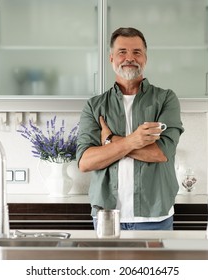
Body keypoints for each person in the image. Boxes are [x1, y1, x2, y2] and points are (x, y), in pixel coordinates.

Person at [76, 27, 184, 230]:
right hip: (106, 217)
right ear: (111, 58)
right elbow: (85, 162)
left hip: (155, 218)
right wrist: (133, 141)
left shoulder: (165, 99)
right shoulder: (95, 106)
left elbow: (161, 153)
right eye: (122, 52)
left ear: (145, 58)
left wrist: (110, 141)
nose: (129, 58)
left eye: (137, 52)